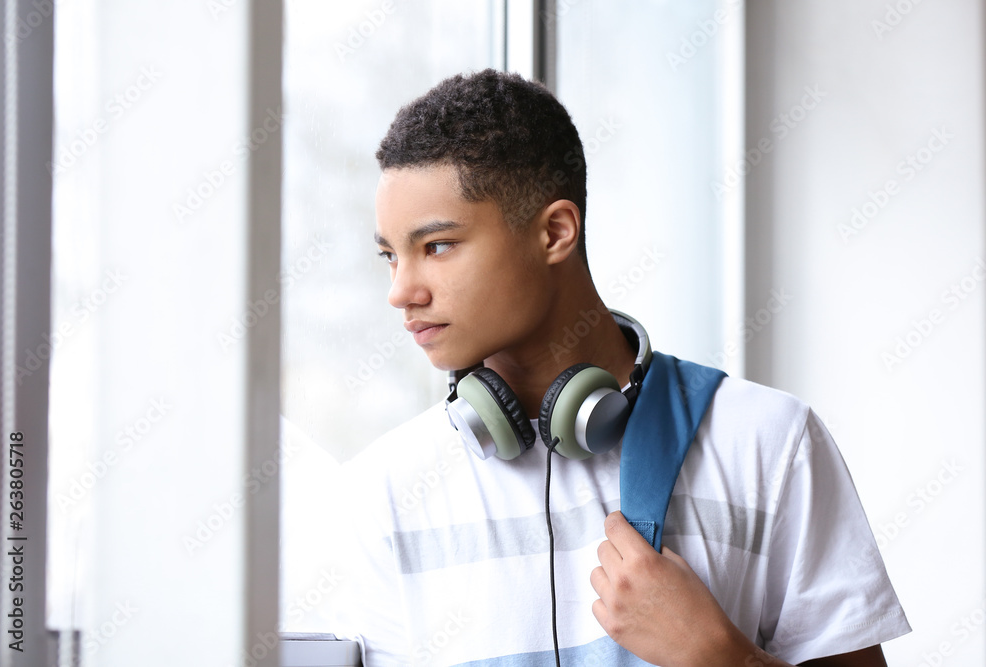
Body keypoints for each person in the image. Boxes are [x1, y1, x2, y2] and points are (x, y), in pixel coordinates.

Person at [331, 69, 910, 666]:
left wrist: (720, 656)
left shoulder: (770, 444)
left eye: (438, 246)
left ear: (555, 232)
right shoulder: (384, 492)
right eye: (389, 256)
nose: (401, 291)